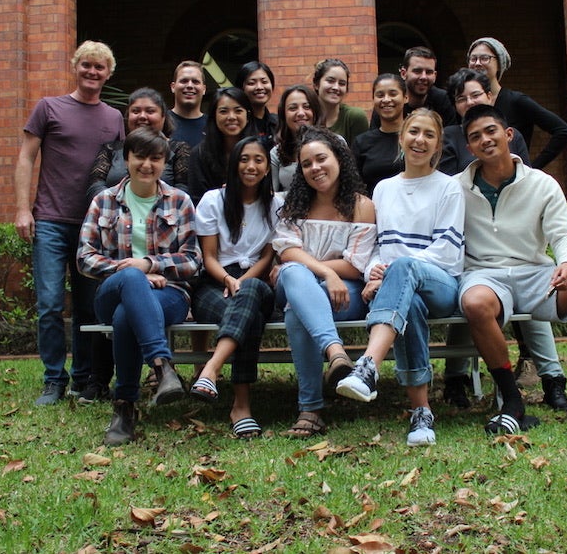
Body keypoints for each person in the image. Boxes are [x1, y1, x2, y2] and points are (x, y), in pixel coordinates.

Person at [455, 105, 567, 434]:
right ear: (469, 148)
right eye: (475, 137)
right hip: (484, 274)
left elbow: (563, 234)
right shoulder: (456, 187)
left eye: (491, 131)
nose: (485, 140)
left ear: (508, 135)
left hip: (535, 273)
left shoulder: (542, 184)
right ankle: (513, 401)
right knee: (474, 303)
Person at [337, 109, 464, 447]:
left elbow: (448, 251)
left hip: (441, 284)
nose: (420, 140)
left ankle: (368, 365)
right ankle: (421, 414)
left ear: (438, 145)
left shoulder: (448, 188)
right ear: (402, 137)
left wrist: (393, 270)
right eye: (414, 132)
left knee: (408, 274)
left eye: (429, 135)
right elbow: (377, 245)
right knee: (412, 307)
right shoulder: (384, 189)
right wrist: (374, 268)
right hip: (398, 290)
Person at [14, 40, 125, 406]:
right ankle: (53, 379)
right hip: (49, 219)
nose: (92, 72)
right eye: (86, 65)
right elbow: (26, 158)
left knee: (87, 308)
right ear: (75, 67)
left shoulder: (114, 117)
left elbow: (120, 171)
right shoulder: (49, 107)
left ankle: (81, 378)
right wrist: (22, 209)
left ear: (108, 73)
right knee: (48, 304)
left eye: (100, 67)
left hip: (93, 227)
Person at [78, 128, 201, 445]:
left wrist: (150, 264)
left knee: (125, 317)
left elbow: (192, 261)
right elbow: (84, 258)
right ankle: (162, 366)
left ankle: (125, 408)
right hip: (112, 290)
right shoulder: (103, 201)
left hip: (169, 295)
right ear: (126, 158)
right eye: (140, 156)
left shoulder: (180, 201)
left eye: (156, 158)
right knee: (130, 283)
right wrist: (132, 271)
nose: (147, 164)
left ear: (165, 162)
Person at [272, 126, 376, 438]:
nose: (315, 168)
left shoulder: (362, 205)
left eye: (321, 159)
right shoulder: (294, 205)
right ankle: (336, 353)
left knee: (297, 308)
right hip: (305, 285)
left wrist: (317, 268)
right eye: (306, 164)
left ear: (339, 159)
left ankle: (311, 410)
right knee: (293, 274)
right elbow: (286, 253)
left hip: (346, 293)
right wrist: (329, 273)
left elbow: (355, 266)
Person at [190, 137, 283, 439]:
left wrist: (242, 282)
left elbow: (269, 255)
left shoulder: (277, 204)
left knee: (252, 292)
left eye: (258, 159)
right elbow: (208, 257)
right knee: (250, 315)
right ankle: (241, 406)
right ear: (234, 163)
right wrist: (229, 280)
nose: (251, 166)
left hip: (256, 280)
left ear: (268, 167)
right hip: (214, 282)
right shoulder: (213, 200)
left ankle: (211, 369)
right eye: (244, 159)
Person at [467, 37, 567, 170]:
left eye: (484, 58)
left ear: (499, 63)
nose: (477, 63)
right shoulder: (467, 103)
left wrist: (533, 168)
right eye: (473, 59)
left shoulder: (516, 101)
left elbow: (563, 131)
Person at [187, 86, 255, 206]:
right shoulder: (199, 154)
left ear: (247, 116)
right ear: (213, 116)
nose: (231, 117)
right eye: (224, 111)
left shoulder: (259, 151)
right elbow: (198, 201)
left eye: (238, 111)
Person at [369, 46, 456, 130]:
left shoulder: (443, 100)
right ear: (403, 73)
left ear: (435, 75)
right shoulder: (389, 101)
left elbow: (451, 139)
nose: (423, 77)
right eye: (417, 71)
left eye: (429, 72)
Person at [353, 73, 408, 194]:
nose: (386, 99)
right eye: (380, 95)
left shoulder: (415, 139)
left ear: (406, 97)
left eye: (393, 94)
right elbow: (355, 186)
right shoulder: (362, 142)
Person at [270, 85, 322, 192]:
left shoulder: (336, 143)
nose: (301, 113)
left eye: (307, 107)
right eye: (293, 108)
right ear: (283, 115)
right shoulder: (276, 153)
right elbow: (272, 196)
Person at [313, 58, 369, 145]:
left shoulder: (354, 117)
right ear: (316, 84)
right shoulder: (306, 116)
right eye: (330, 81)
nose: (336, 87)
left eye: (342, 83)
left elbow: (361, 156)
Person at [235, 61, 279, 149]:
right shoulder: (236, 123)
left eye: (264, 82)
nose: (259, 87)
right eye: (252, 83)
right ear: (241, 88)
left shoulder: (278, 123)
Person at [168, 60, 208, 148]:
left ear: (204, 89)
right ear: (173, 87)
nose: (190, 85)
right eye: (184, 81)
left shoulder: (213, 125)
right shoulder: (161, 122)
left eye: (195, 81)